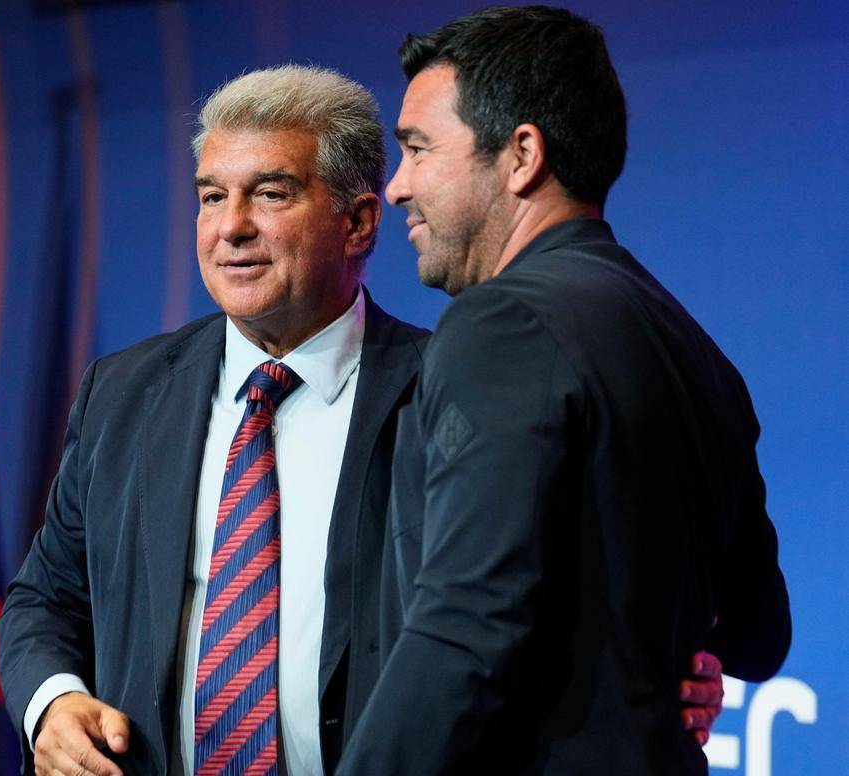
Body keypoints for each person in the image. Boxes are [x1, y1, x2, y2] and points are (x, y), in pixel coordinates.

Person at [339, 7, 791, 774]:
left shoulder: (502, 324)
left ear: (521, 155)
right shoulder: (697, 351)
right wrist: (645, 664)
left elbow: (463, 632)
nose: (397, 186)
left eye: (418, 149)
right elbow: (758, 635)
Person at [0, 66, 428, 775]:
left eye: (271, 193)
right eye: (211, 197)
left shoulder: (441, 391)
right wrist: (54, 700)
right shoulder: (122, 393)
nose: (232, 227)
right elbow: (45, 599)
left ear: (356, 223)